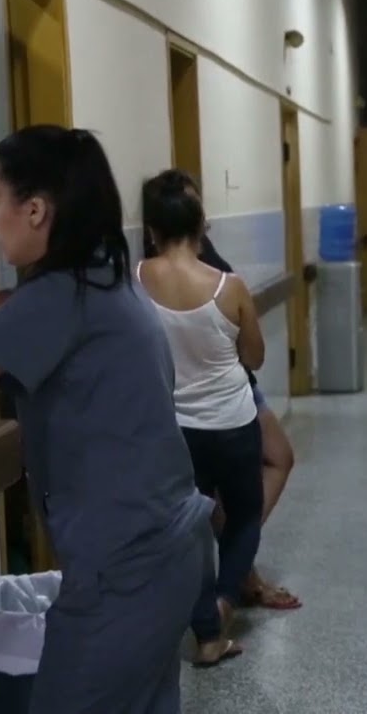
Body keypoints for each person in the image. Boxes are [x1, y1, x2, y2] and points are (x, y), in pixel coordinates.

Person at [0, 125, 220, 712]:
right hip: (170, 550)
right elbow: (15, 347)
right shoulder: (99, 275)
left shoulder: (56, 295)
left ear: (34, 210)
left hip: (125, 572)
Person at [142, 169, 301, 611]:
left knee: (264, 469)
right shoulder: (218, 280)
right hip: (226, 401)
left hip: (199, 403)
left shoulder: (140, 277)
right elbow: (253, 354)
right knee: (237, 506)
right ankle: (235, 578)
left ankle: (236, 570)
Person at [136, 170, 266, 652]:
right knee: (244, 516)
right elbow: (255, 357)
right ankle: (220, 609)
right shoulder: (229, 286)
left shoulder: (135, 282)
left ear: (152, 230)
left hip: (174, 429)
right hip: (233, 422)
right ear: (200, 227)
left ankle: (203, 626)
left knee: (189, 528)